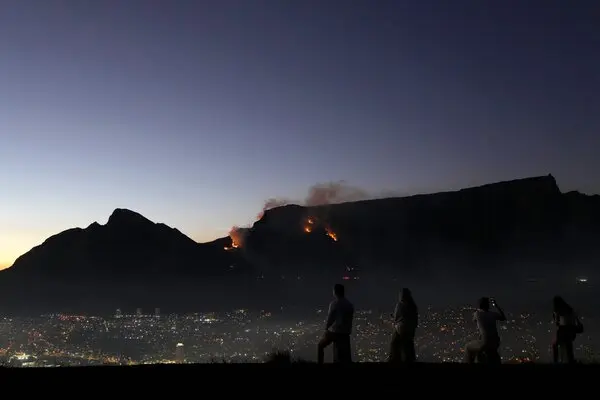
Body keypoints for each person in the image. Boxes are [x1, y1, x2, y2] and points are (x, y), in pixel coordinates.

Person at [317, 283, 354, 364]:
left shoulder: (334, 304)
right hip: (346, 333)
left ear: (335, 292)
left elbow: (330, 320)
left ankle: (320, 364)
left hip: (336, 333)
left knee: (320, 345)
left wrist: (326, 329)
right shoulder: (349, 304)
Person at [465, 297, 506, 364]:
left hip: (485, 343)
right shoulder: (493, 314)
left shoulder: (477, 314)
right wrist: (497, 306)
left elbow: (474, 320)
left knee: (467, 347)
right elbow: (503, 317)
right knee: (483, 351)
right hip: (496, 343)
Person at [387, 288, 418, 363]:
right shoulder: (413, 305)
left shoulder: (400, 305)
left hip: (400, 328)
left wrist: (393, 316)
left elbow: (396, 317)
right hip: (410, 329)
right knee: (408, 346)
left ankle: (395, 359)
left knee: (395, 344)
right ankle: (409, 360)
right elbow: (415, 318)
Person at [552, 295, 581, 364]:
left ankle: (557, 361)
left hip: (566, 330)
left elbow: (558, 323)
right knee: (568, 346)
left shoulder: (560, 311)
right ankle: (570, 360)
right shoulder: (569, 309)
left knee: (557, 345)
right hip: (571, 330)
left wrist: (556, 317)